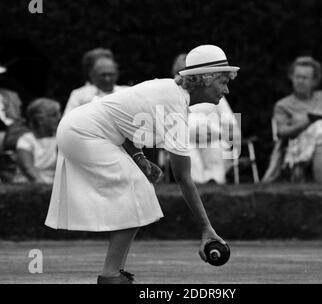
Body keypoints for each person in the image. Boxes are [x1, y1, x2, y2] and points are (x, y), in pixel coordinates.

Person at [45, 44, 239, 284]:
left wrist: (140, 159)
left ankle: (115, 273)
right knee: (137, 191)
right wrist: (206, 229)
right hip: (82, 133)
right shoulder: (175, 106)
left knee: (137, 192)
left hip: (80, 130)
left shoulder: (169, 92)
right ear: (205, 80)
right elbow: (184, 178)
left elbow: (121, 122)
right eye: (223, 81)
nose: (227, 90)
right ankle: (111, 276)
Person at [172, 54, 241, 184]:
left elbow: (229, 122)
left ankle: (214, 181)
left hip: (214, 140)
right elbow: (170, 125)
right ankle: (197, 183)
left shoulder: (214, 93)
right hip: (186, 141)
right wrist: (191, 134)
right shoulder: (172, 95)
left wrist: (225, 138)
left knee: (216, 149)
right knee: (188, 153)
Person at [63, 48, 128, 115]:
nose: (107, 79)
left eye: (111, 74)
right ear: (91, 74)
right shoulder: (80, 95)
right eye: (103, 75)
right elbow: (67, 119)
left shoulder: (126, 91)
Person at [14, 98, 60, 184]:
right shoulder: (25, 140)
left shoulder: (60, 138)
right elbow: (28, 168)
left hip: (53, 187)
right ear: (40, 120)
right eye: (54, 115)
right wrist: (45, 188)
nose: (58, 118)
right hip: (29, 188)